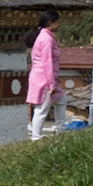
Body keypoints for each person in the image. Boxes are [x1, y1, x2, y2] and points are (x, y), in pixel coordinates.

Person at [25, 9, 64, 140]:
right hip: (43, 78)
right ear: (50, 23)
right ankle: (36, 137)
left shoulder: (42, 36)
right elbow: (47, 62)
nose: (59, 25)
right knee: (42, 109)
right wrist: (52, 83)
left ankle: (60, 130)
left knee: (62, 100)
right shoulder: (47, 39)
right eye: (57, 22)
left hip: (41, 75)